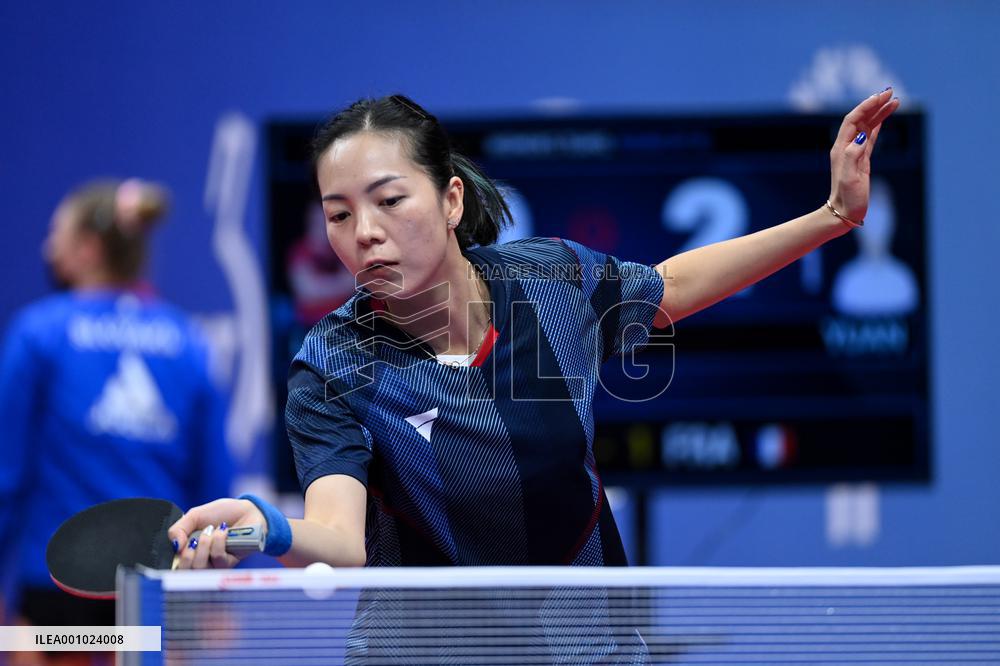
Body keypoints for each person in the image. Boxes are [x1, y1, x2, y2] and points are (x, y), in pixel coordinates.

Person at [168, 91, 899, 660]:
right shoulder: (331, 364)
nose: (362, 232)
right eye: (338, 214)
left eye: (389, 200)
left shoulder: (553, 280)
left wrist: (834, 215)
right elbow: (338, 535)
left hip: (590, 655)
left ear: (451, 200)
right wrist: (263, 526)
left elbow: (672, 285)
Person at [0, 179, 234, 635]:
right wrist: (215, 590)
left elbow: (6, 474)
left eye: (56, 234)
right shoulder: (188, 342)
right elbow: (214, 481)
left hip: (55, 588)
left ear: (87, 248)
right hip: (159, 585)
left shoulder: (38, 332)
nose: (48, 248)